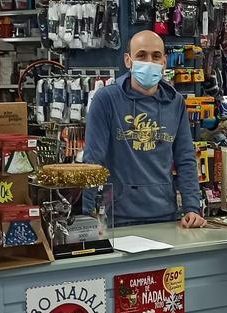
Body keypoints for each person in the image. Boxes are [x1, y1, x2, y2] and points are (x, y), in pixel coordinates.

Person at [82, 30, 205, 228]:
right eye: (141, 55)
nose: (149, 61)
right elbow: (92, 161)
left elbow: (186, 159)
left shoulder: (176, 103)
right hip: (117, 218)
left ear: (164, 61)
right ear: (128, 60)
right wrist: (86, 215)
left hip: (165, 215)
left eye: (156, 56)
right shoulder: (106, 100)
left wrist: (192, 208)